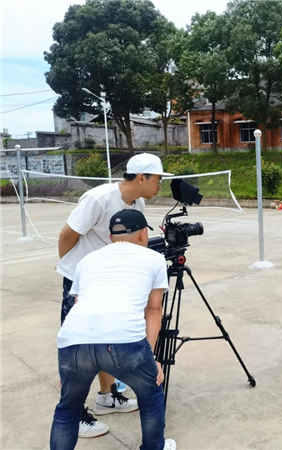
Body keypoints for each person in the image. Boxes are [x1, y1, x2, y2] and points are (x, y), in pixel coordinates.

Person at [56, 153, 172, 437]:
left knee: (106, 336)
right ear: (142, 177)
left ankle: (107, 396)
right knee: (84, 340)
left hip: (114, 280)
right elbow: (67, 234)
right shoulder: (99, 199)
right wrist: (72, 268)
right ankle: (76, 413)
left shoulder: (137, 202)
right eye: (157, 179)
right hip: (84, 278)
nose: (160, 185)